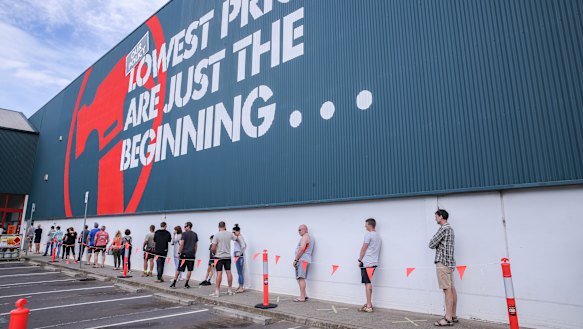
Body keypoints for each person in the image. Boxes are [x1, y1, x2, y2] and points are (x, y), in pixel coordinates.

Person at [429, 209, 458, 326]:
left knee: (447, 290)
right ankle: (453, 315)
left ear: (441, 217)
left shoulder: (443, 229)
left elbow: (431, 244)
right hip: (450, 263)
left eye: (436, 216)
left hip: (442, 263)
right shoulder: (450, 229)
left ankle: (448, 318)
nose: (435, 218)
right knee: (451, 289)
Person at [358, 218, 382, 313]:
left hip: (367, 262)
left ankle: (368, 306)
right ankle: (369, 303)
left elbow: (363, 248)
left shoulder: (368, 235)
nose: (365, 226)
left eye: (366, 224)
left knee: (367, 283)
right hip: (374, 262)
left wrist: (360, 259)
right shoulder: (378, 236)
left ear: (370, 225)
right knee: (368, 282)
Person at [210, 221, 238, 297]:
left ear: (218, 227)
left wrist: (214, 253)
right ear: (225, 226)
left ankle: (217, 291)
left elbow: (213, 247)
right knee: (228, 272)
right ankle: (229, 290)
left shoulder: (216, 235)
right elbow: (236, 238)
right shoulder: (230, 234)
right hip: (228, 257)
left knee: (219, 273)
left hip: (219, 257)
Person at [170, 222, 198, 289]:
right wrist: (194, 253)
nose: (184, 228)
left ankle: (174, 283)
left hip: (184, 254)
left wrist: (179, 252)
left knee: (179, 269)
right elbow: (196, 245)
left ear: (189, 226)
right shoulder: (195, 234)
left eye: (185, 226)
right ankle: (186, 284)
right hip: (191, 255)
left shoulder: (184, 234)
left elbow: (182, 244)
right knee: (189, 270)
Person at [293, 224, 314, 302]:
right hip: (305, 260)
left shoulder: (305, 237)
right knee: (300, 278)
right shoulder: (310, 238)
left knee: (301, 278)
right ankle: (304, 295)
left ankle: (302, 297)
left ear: (306, 229)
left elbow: (302, 249)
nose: (299, 231)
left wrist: (296, 260)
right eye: (298, 230)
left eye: (300, 230)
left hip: (302, 260)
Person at [233, 224, 246, 293]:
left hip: (239, 256)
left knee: (240, 272)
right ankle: (240, 286)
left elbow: (243, 246)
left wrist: (239, 253)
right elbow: (245, 245)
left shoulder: (239, 237)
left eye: (234, 232)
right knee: (239, 272)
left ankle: (241, 287)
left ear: (238, 231)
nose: (233, 234)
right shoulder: (238, 237)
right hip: (238, 256)